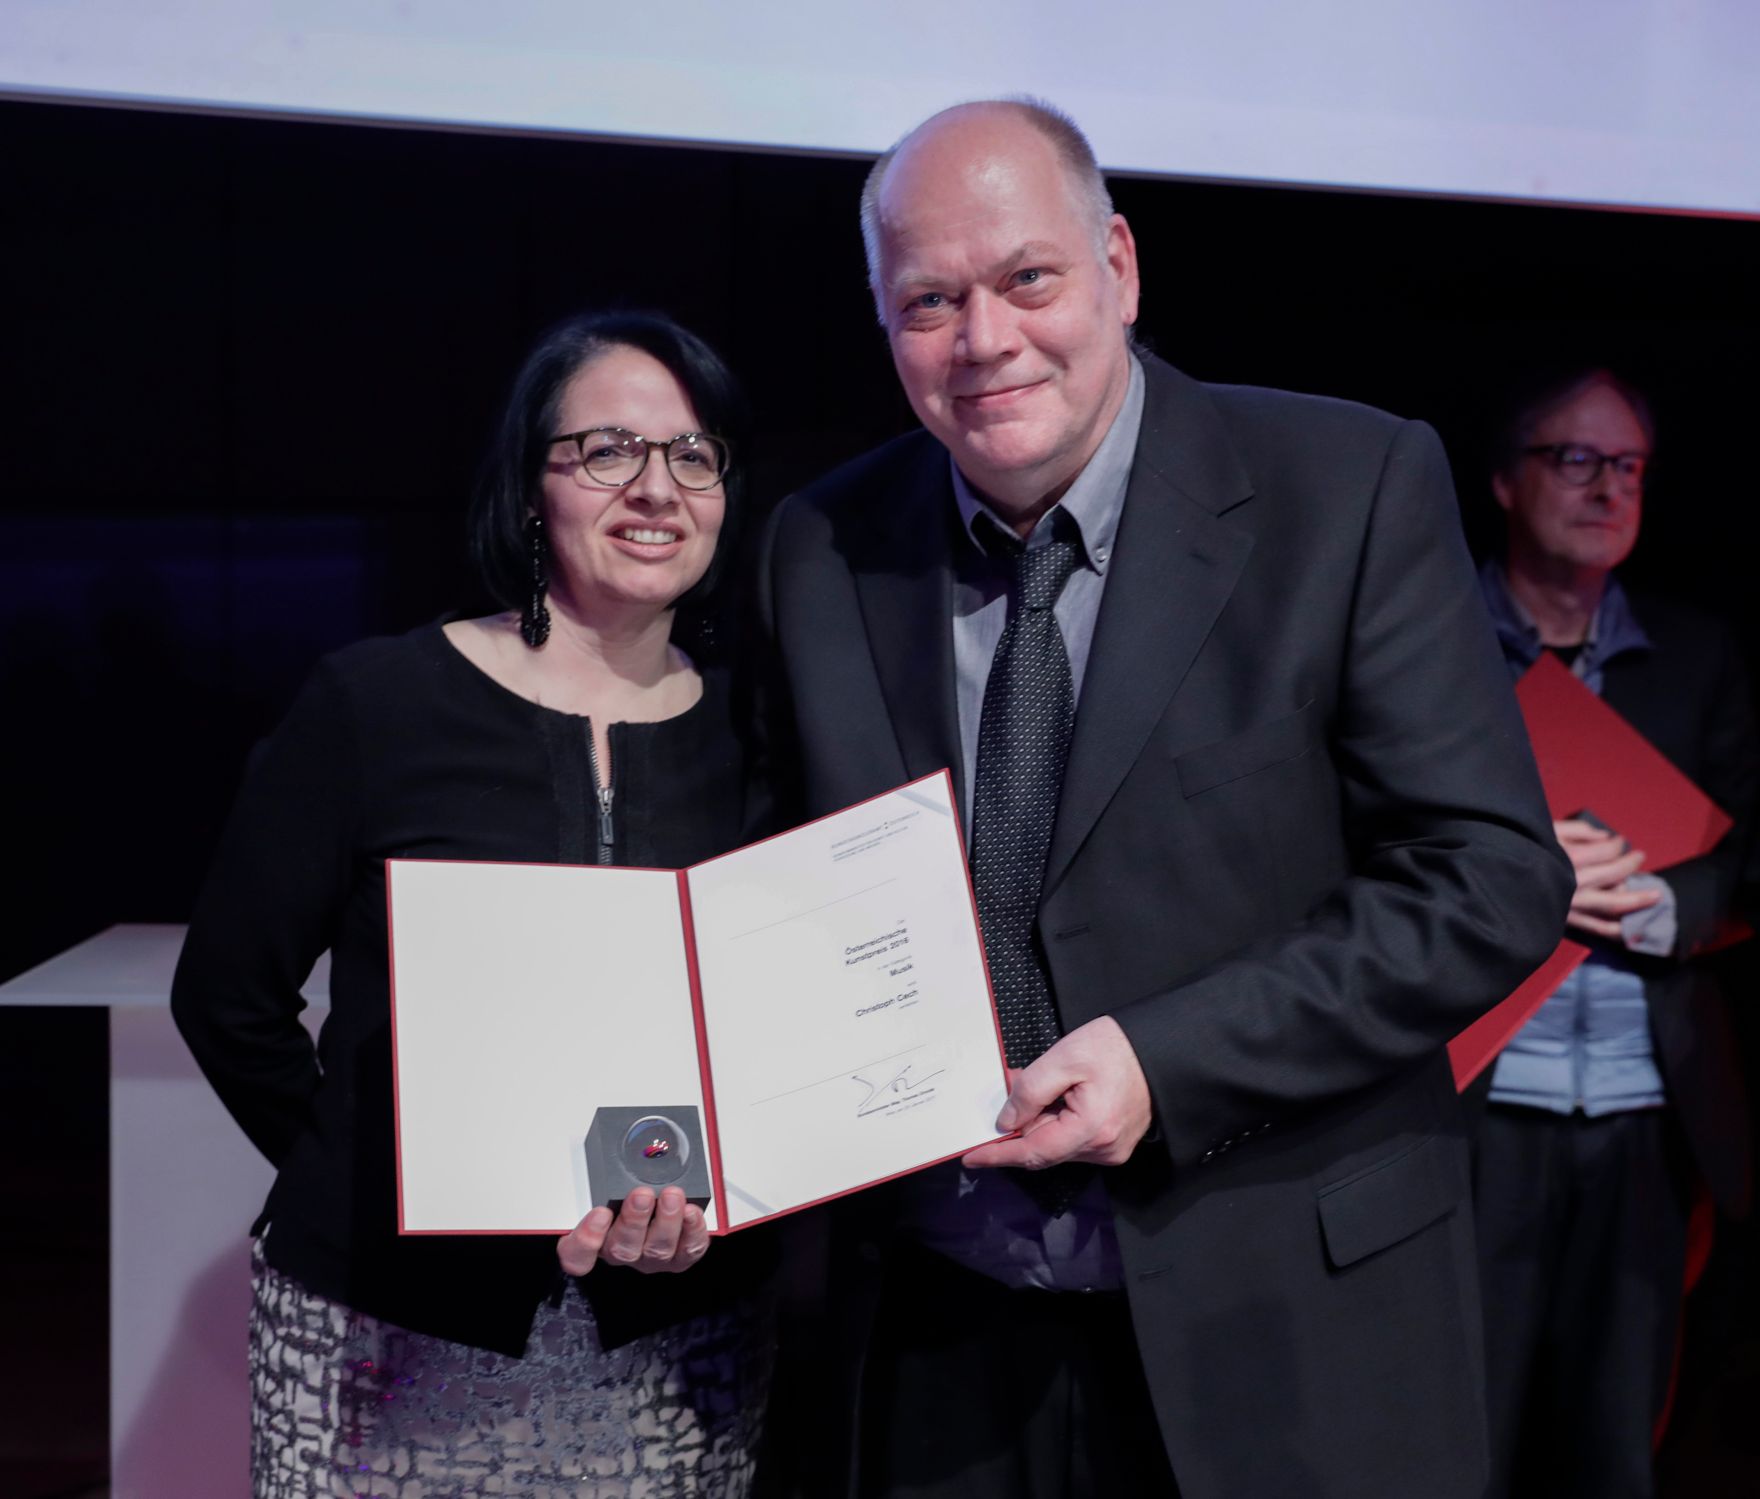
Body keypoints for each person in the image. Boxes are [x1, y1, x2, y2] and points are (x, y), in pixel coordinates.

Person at [747, 99, 1574, 1499]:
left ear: (1118, 266)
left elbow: (1491, 877)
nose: (984, 339)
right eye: (930, 301)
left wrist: (1169, 1060)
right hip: (942, 1343)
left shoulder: (1346, 484)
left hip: (1287, 1328)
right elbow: (777, 903)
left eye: (1027, 279)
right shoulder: (820, 547)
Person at [172, 310, 775, 1497]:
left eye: (692, 455)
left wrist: (729, 1194)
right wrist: (377, 1180)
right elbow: (227, 997)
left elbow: (768, 1030)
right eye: (606, 449)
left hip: (674, 1345)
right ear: (528, 481)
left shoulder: (761, 730)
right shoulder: (376, 702)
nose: (655, 487)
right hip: (386, 1339)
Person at [1467, 368, 1758, 1499]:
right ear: (1504, 479)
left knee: (1612, 1454)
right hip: (1476, 1113)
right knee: (1459, 1439)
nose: (1604, 489)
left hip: (1645, 1122)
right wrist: (1515, 873)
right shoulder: (1432, 644)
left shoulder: (1692, 654)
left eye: (1625, 466)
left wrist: (1672, 904)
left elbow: (1748, 853)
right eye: (1574, 460)